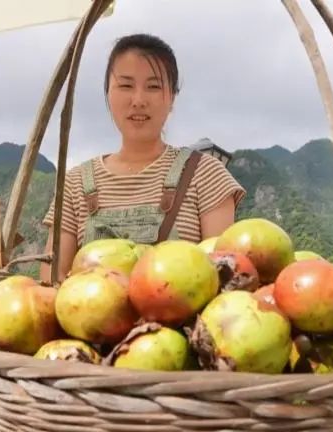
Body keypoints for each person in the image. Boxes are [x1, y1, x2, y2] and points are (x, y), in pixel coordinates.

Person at [40, 33, 245, 283]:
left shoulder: (205, 174)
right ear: (108, 94)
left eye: (154, 86)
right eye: (126, 85)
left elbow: (224, 278)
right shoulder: (74, 185)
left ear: (171, 99)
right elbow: (52, 283)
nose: (138, 100)